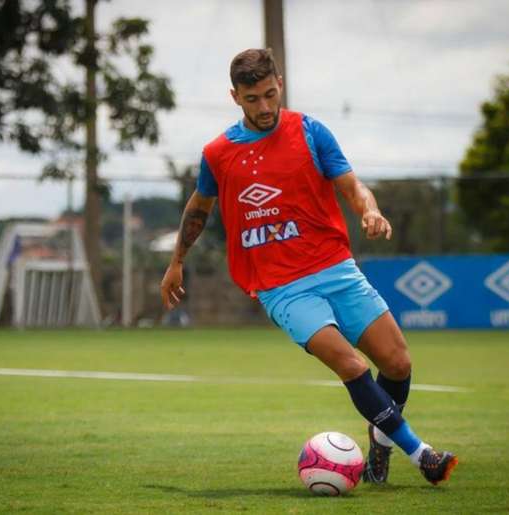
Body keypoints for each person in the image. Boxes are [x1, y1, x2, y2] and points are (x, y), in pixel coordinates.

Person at [160, 48, 458, 486]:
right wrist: (176, 263)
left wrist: (369, 212)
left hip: (335, 267)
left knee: (396, 362)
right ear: (234, 97)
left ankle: (381, 439)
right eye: (252, 99)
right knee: (352, 365)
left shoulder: (311, 131)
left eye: (269, 94)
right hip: (282, 287)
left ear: (279, 82)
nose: (264, 107)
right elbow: (198, 208)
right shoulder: (218, 153)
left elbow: (352, 186)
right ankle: (422, 455)